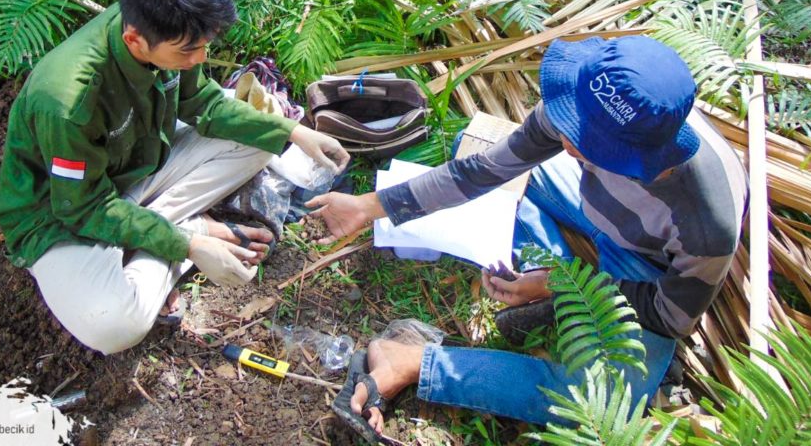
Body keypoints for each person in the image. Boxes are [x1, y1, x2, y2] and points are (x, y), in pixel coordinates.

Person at [308, 35, 747, 438]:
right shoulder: (580, 106)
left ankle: (411, 362)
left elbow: (670, 317)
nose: (567, 141)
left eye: (586, 142)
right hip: (584, 199)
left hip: (643, 261)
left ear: (638, 156)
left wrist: (564, 284)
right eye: (571, 128)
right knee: (477, 143)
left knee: (602, 405)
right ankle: (551, 274)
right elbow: (482, 171)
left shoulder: (704, 224)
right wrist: (370, 206)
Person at [0, 0, 348, 354]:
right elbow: (82, 208)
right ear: (135, 41)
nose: (199, 58)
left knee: (261, 141)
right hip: (60, 215)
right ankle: (188, 231)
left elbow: (204, 104)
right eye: (187, 52)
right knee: (113, 327)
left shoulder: (169, 25)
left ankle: (157, 235)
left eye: (204, 46)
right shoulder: (69, 102)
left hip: (132, 171)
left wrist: (293, 132)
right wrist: (191, 245)